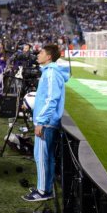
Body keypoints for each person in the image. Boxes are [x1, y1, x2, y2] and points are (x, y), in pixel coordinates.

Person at [23, 44, 69, 201]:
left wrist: (40, 121)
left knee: (41, 157)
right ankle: (45, 188)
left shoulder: (50, 73)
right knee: (47, 157)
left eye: (41, 52)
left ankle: (42, 191)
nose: (38, 54)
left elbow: (51, 99)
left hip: (46, 122)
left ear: (48, 56)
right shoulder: (51, 72)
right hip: (49, 121)